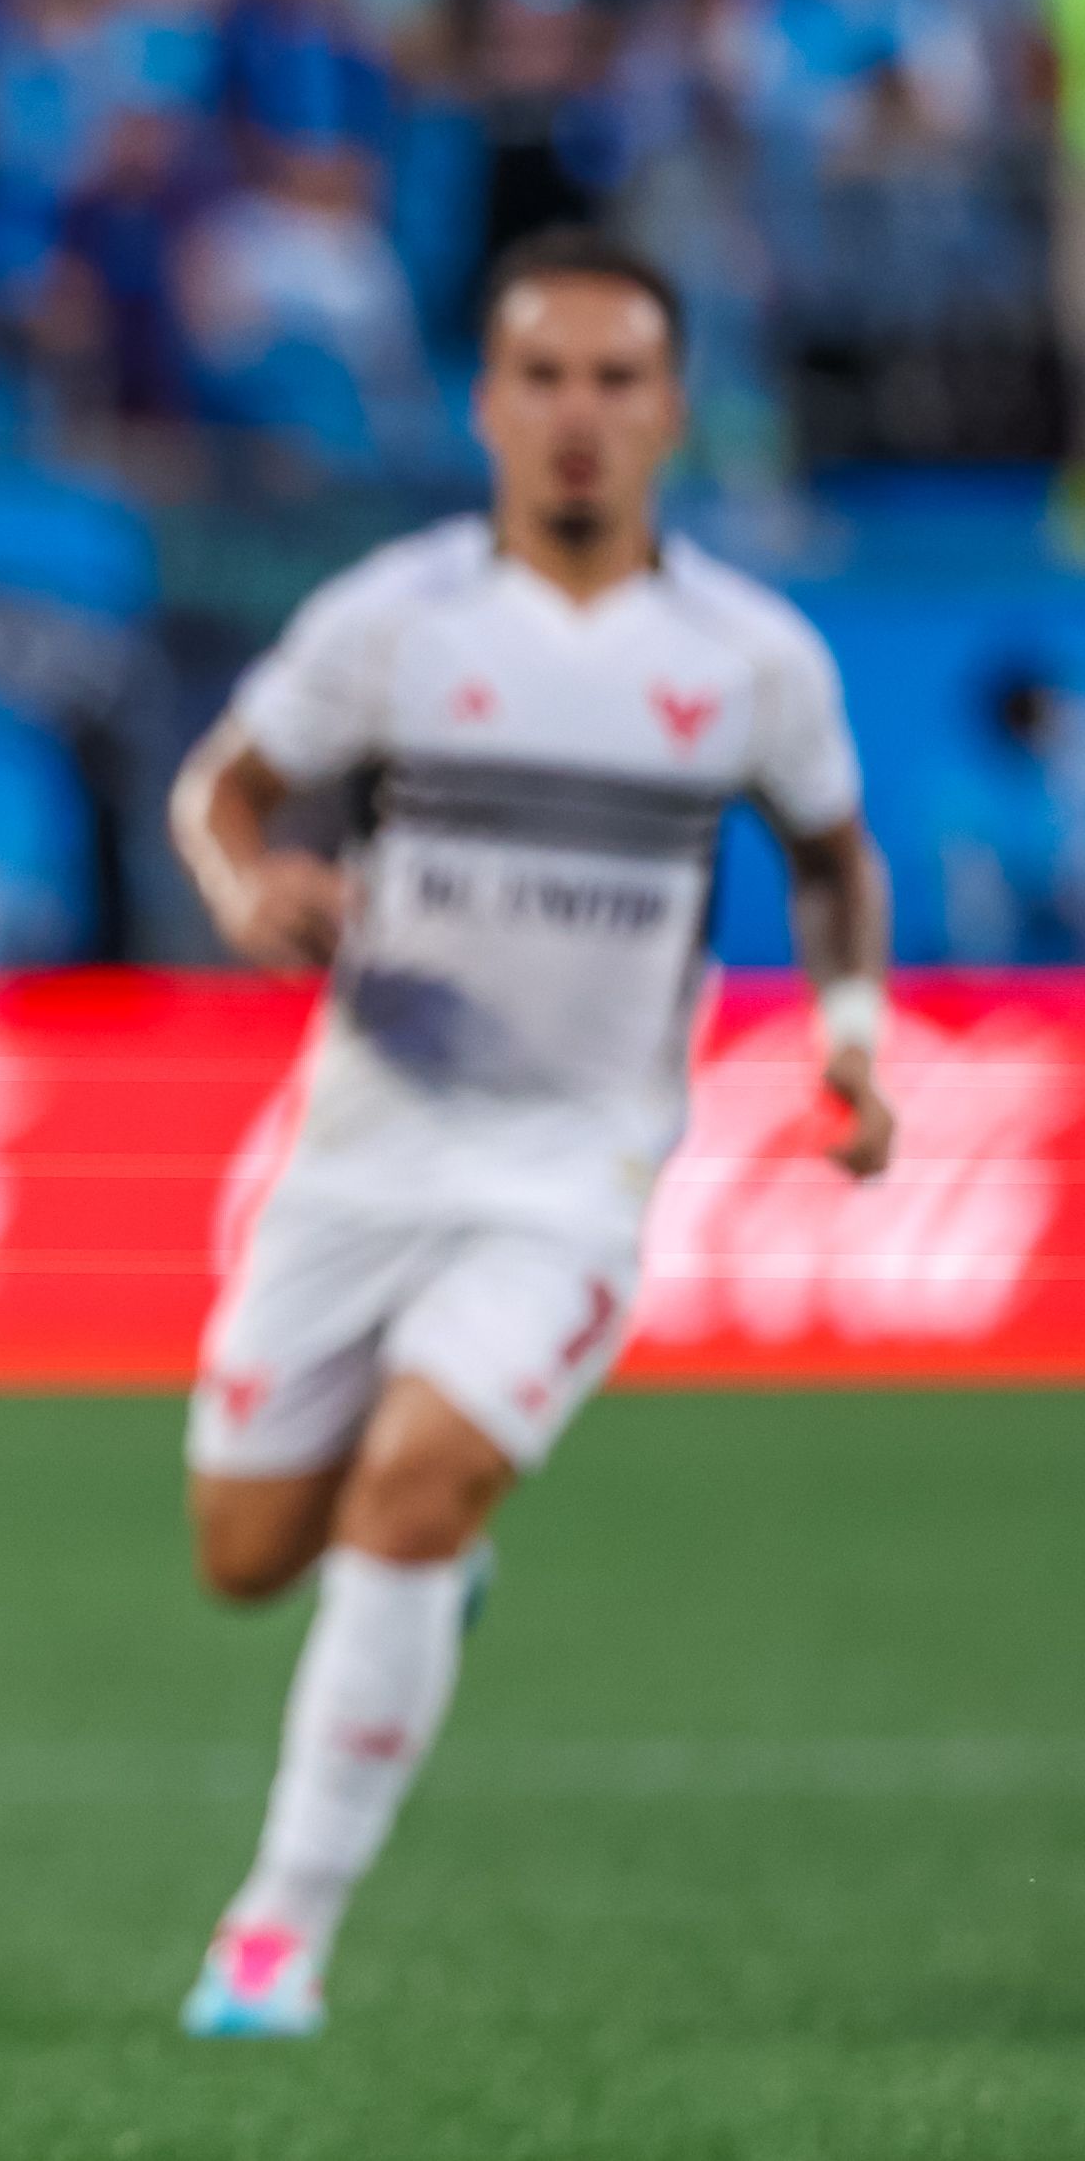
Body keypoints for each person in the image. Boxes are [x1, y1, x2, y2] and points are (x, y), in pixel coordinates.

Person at [163, 227, 896, 2039]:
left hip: (571, 1164)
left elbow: (830, 851)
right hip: (360, 1148)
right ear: (488, 405)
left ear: (671, 410)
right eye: (546, 379)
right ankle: (437, 1555)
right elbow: (222, 786)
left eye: (618, 381)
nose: (581, 416)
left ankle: (276, 1930)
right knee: (246, 1553)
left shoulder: (747, 657)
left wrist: (854, 1043)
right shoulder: (396, 620)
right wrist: (244, 885)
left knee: (408, 1489)